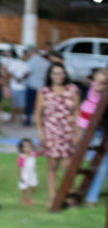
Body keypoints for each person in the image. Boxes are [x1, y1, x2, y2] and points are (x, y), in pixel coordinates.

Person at [34, 62, 80, 206]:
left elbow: (77, 112)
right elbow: (37, 115)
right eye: (55, 73)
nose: (59, 76)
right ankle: (53, 197)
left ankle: (68, 195)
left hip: (67, 132)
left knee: (68, 167)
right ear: (50, 75)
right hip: (51, 132)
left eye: (61, 73)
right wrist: (41, 133)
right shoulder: (44, 91)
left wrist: (77, 131)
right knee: (52, 166)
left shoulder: (72, 90)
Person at [77, 68, 108, 207]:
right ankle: (91, 197)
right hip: (95, 131)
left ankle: (92, 195)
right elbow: (98, 84)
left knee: (103, 166)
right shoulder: (96, 89)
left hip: (101, 130)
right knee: (99, 166)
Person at [24, 47, 50, 126]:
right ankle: (42, 120)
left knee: (29, 103)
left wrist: (22, 77)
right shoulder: (45, 62)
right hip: (41, 85)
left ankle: (28, 120)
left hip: (32, 85)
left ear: (32, 52)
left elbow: (27, 72)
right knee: (41, 104)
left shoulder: (31, 61)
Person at [5, 50, 30, 123]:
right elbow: (9, 73)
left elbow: (28, 73)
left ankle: (21, 119)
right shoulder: (15, 63)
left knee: (22, 104)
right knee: (13, 103)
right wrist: (16, 78)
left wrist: (22, 78)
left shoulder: (27, 64)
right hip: (14, 86)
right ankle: (12, 118)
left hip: (23, 86)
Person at [16, 138, 38, 206]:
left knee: (34, 186)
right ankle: (24, 200)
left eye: (30, 146)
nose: (29, 148)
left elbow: (40, 153)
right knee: (24, 188)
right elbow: (19, 168)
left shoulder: (33, 154)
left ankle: (28, 198)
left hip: (32, 174)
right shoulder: (22, 157)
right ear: (22, 148)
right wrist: (20, 176)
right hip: (24, 175)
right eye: (27, 146)